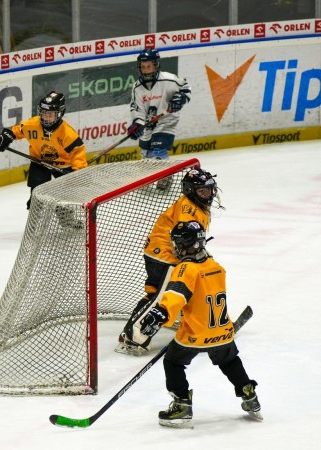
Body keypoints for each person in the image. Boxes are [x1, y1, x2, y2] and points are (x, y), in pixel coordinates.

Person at [136, 221, 261, 428]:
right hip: (223, 332)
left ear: (183, 244)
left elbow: (176, 295)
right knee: (229, 360)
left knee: (173, 362)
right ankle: (249, 395)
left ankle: (182, 405)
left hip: (195, 334)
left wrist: (161, 313)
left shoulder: (185, 269)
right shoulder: (216, 267)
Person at [116, 168, 219, 355]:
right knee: (162, 296)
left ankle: (129, 331)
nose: (208, 195)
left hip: (161, 252)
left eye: (210, 190)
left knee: (156, 293)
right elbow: (184, 236)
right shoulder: (189, 208)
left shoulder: (196, 204)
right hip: (166, 255)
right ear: (190, 190)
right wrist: (196, 256)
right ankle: (134, 338)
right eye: (203, 191)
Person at [0, 91, 87, 209]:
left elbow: (77, 151)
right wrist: (6, 136)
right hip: (40, 162)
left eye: (50, 114)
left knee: (62, 200)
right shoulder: (32, 124)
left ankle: (68, 222)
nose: (45, 117)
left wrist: (78, 171)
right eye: (43, 113)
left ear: (60, 114)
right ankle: (35, 220)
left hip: (62, 166)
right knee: (36, 197)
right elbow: (17, 130)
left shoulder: (67, 133)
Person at [126, 49, 191, 160]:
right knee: (146, 156)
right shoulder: (137, 87)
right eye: (143, 67)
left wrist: (180, 98)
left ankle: (166, 177)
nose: (146, 70)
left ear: (156, 66)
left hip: (167, 119)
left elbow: (185, 88)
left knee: (158, 151)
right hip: (149, 123)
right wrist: (137, 124)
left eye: (149, 66)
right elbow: (138, 110)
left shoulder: (168, 79)